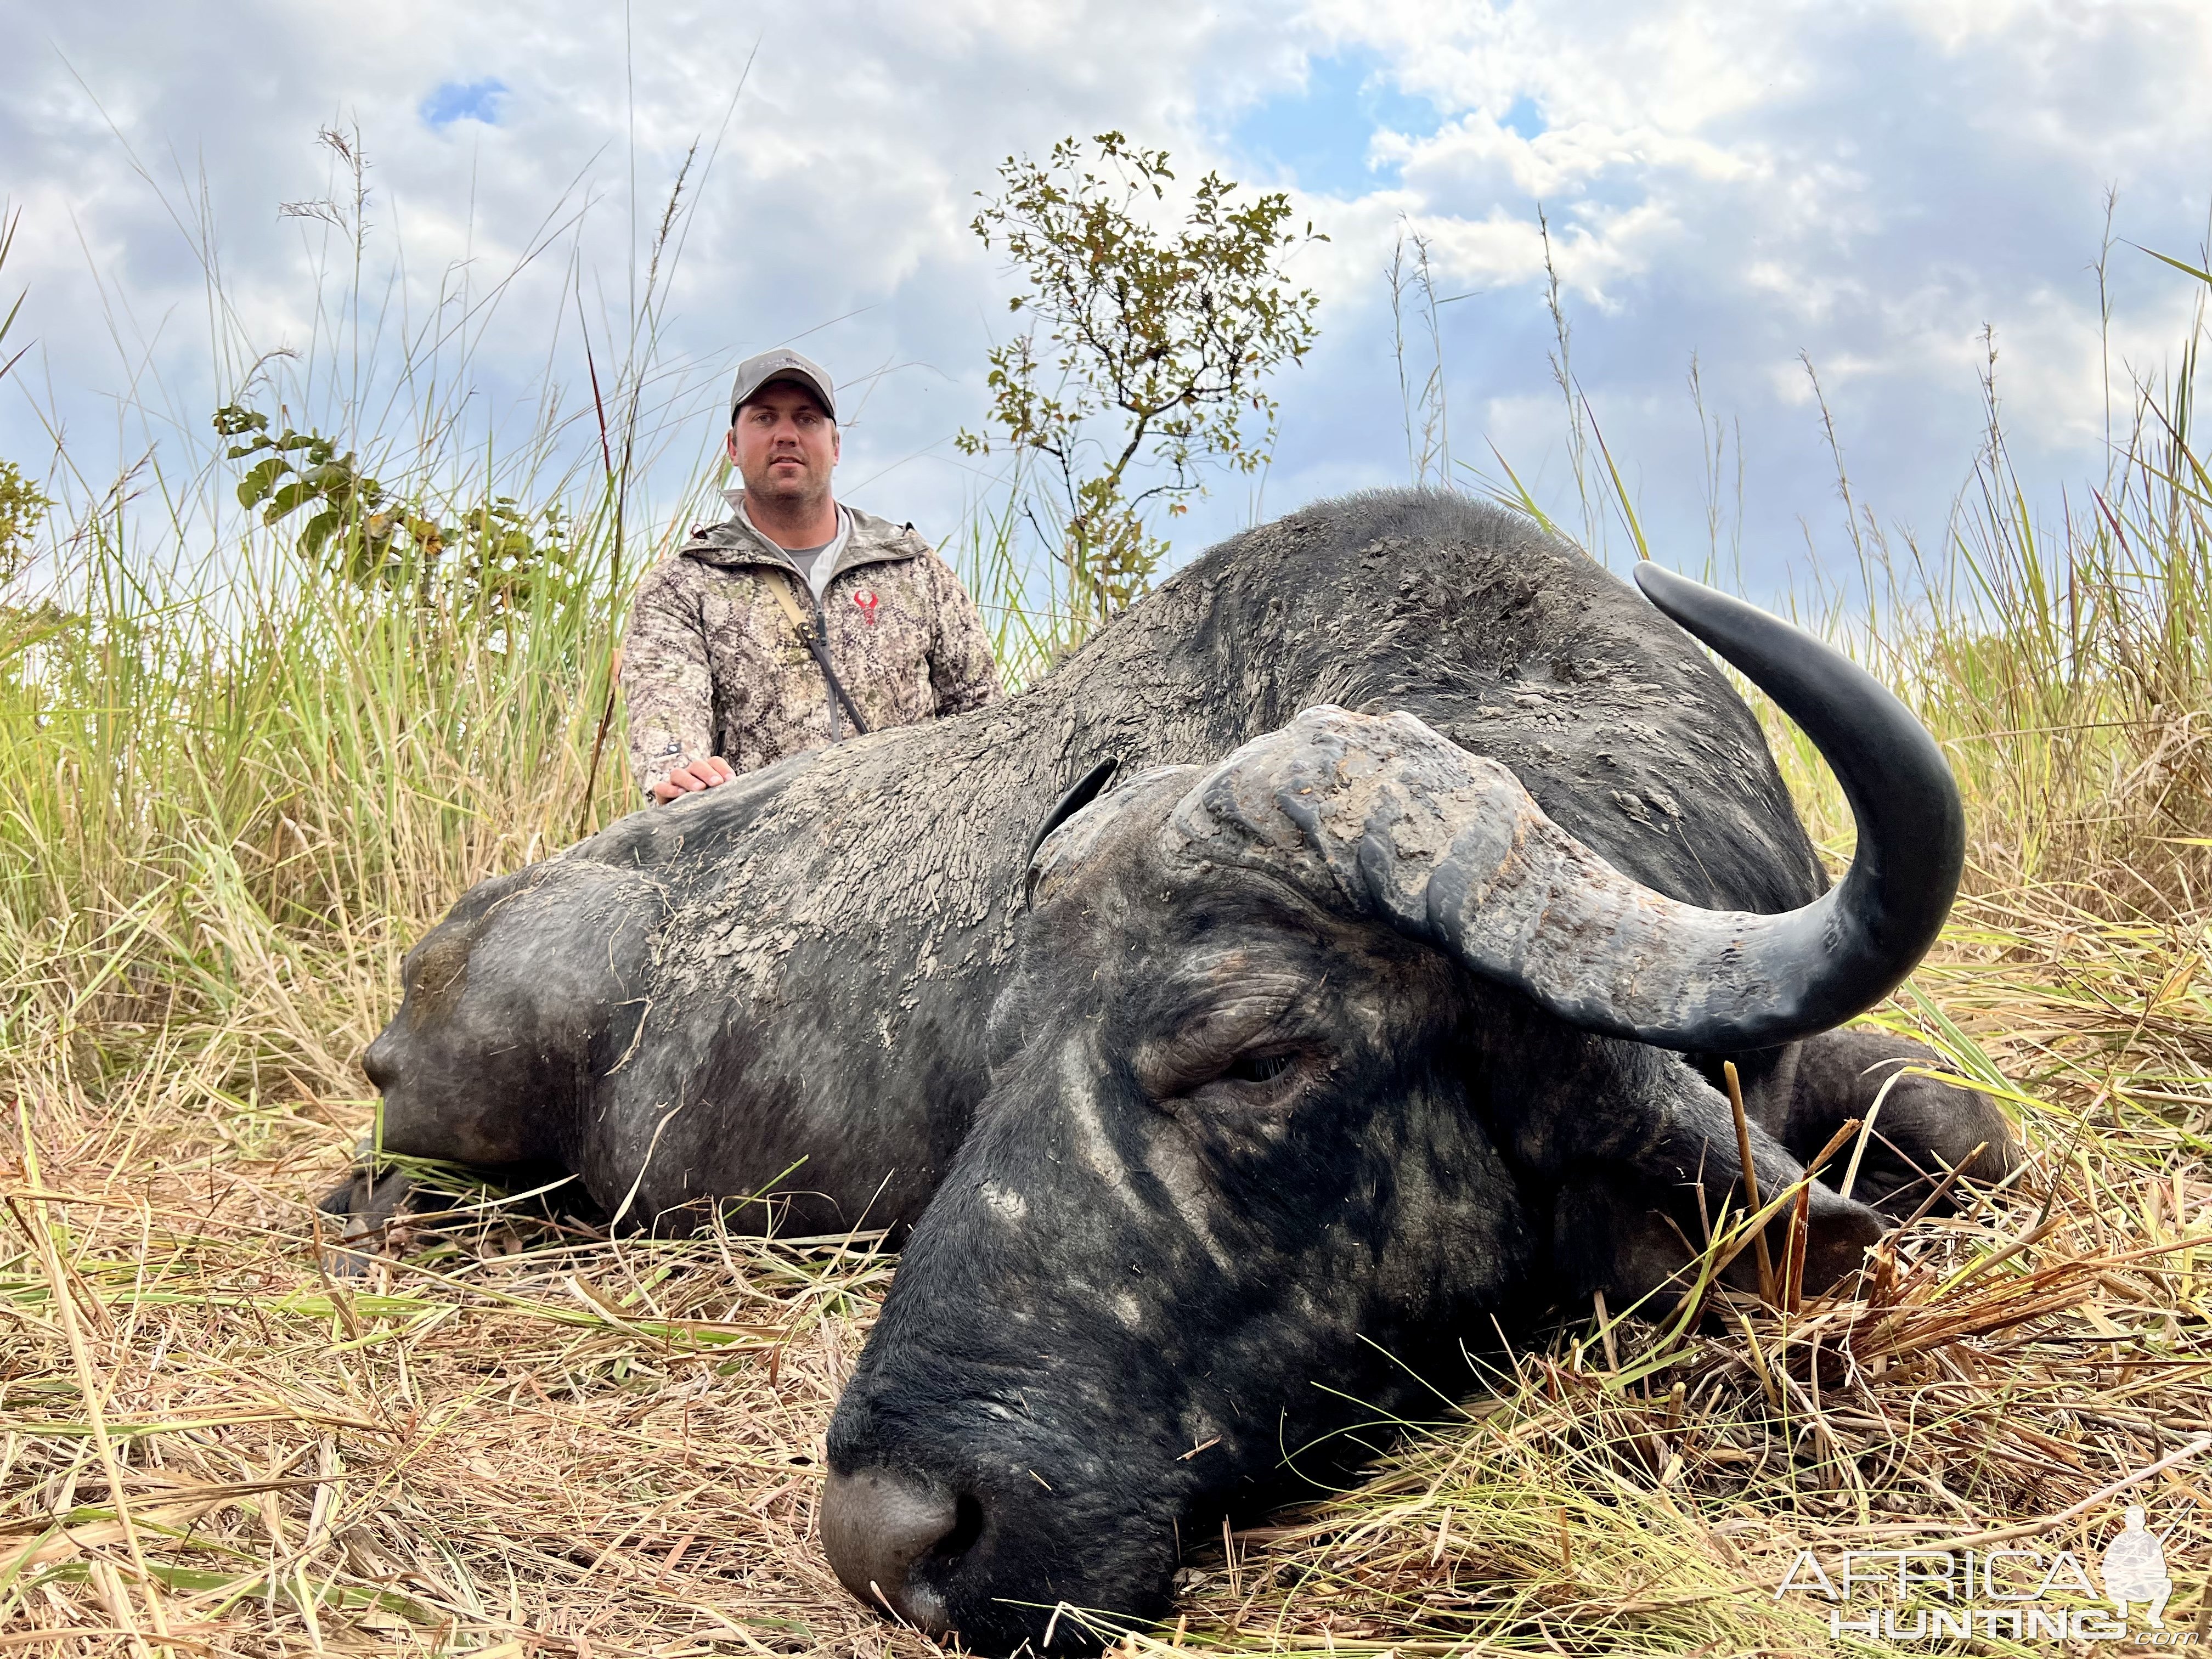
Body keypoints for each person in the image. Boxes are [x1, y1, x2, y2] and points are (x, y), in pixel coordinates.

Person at [621, 347, 1002, 803]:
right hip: (761, 854)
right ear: (733, 447)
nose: (786, 435)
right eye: (764, 419)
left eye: (806, 419)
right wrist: (684, 779)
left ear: (835, 446)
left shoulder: (913, 566)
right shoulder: (683, 585)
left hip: (916, 848)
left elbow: (985, 722)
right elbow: (669, 728)